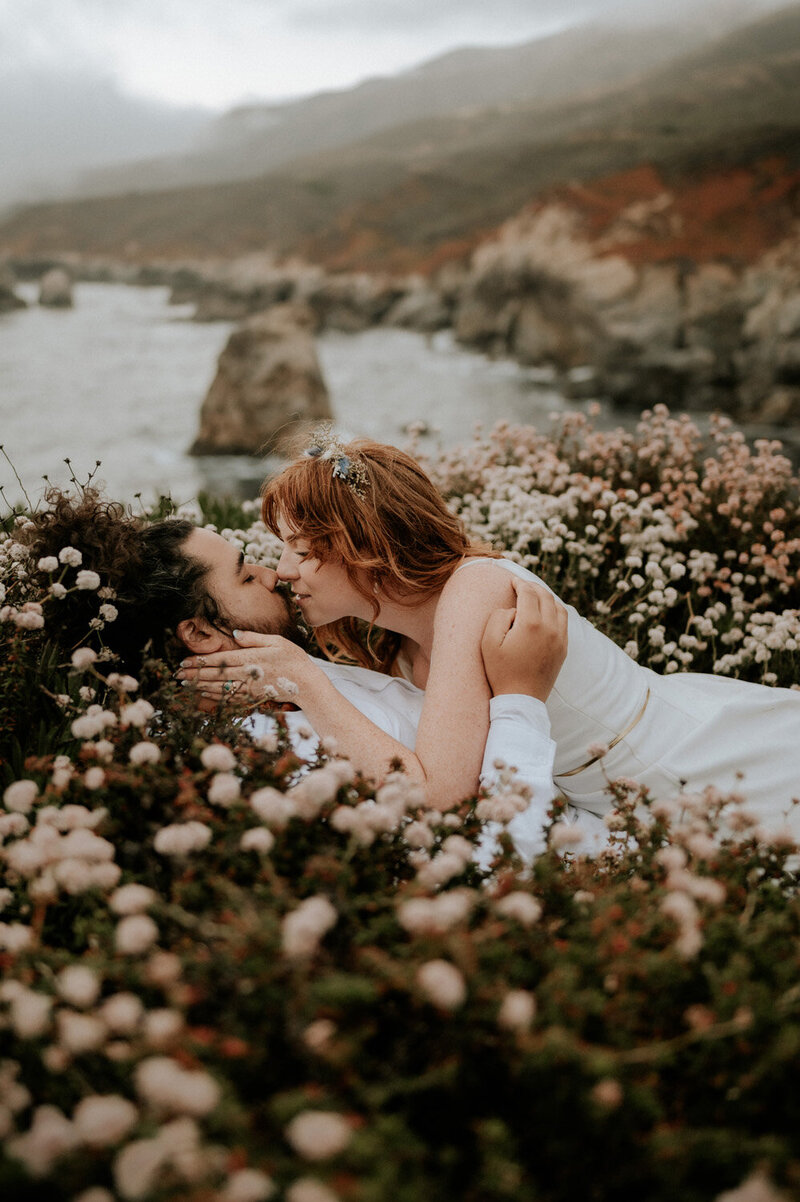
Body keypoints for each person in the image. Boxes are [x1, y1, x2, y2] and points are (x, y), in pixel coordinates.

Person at [179, 431, 800, 842]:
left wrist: (305, 682)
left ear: (363, 547)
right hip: (616, 804)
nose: (284, 572)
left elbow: (438, 794)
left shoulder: (475, 589)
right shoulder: (387, 643)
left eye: (300, 550)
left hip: (699, 759)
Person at [21, 489, 592, 860]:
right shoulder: (254, 762)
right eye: (246, 576)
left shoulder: (280, 675)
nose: (274, 575)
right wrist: (520, 699)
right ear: (198, 634)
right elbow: (487, 851)